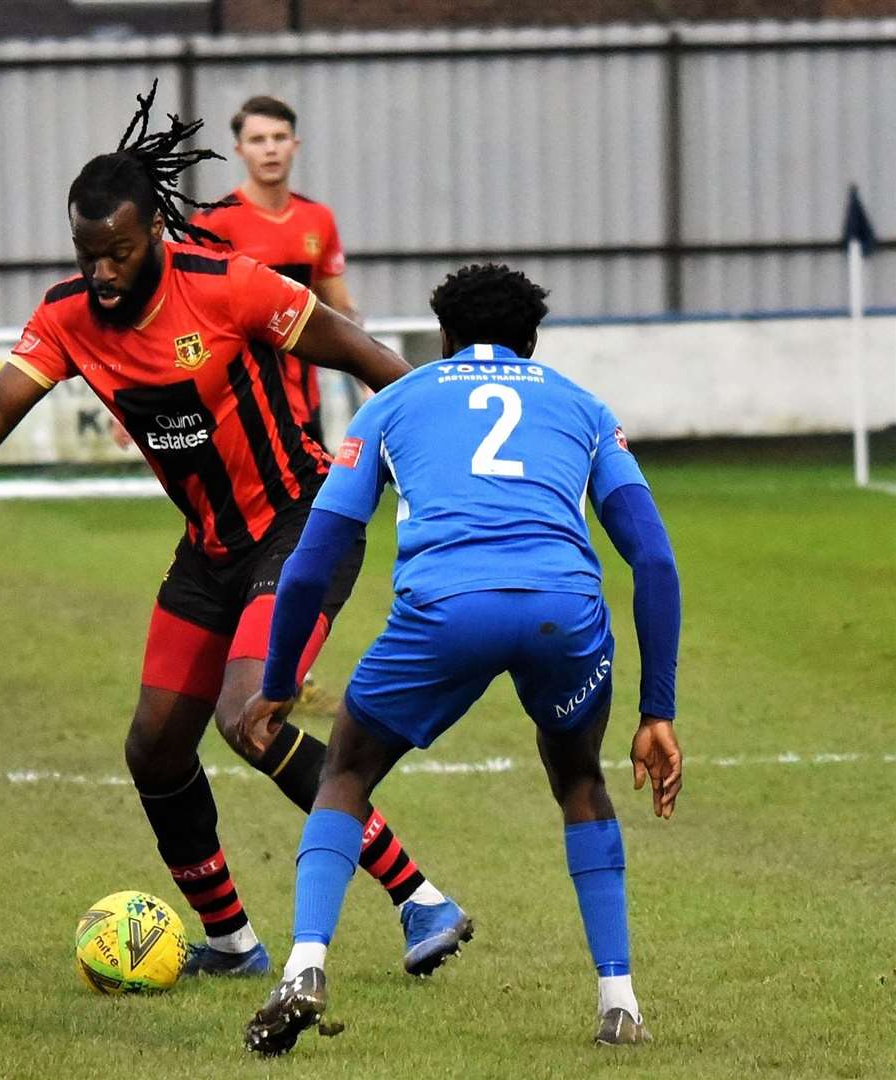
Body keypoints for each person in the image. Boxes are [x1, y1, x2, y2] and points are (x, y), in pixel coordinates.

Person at [0, 84, 471, 979]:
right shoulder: (65, 317)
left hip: (302, 525)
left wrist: (440, 471)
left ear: (154, 239)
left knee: (247, 717)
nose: (100, 272)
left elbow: (375, 364)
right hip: (209, 549)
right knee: (154, 747)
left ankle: (420, 899)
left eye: (118, 253)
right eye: (86, 253)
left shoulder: (232, 288)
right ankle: (232, 943)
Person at [238, 263, 683, 1054]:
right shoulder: (582, 406)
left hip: (444, 610)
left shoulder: (393, 402)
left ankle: (305, 966)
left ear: (442, 338)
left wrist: (276, 685)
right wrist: (657, 711)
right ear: (531, 340)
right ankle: (619, 1004)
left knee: (344, 770)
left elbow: (310, 562)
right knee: (579, 779)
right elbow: (651, 560)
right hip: (562, 613)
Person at [189, 95, 361, 448]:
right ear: (239, 150)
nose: (270, 149)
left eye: (279, 138)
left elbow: (340, 307)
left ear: (294, 145)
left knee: (311, 500)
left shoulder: (318, 218)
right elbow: (190, 315)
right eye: (258, 140)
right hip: (240, 402)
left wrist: (368, 375)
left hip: (305, 403)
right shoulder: (213, 223)